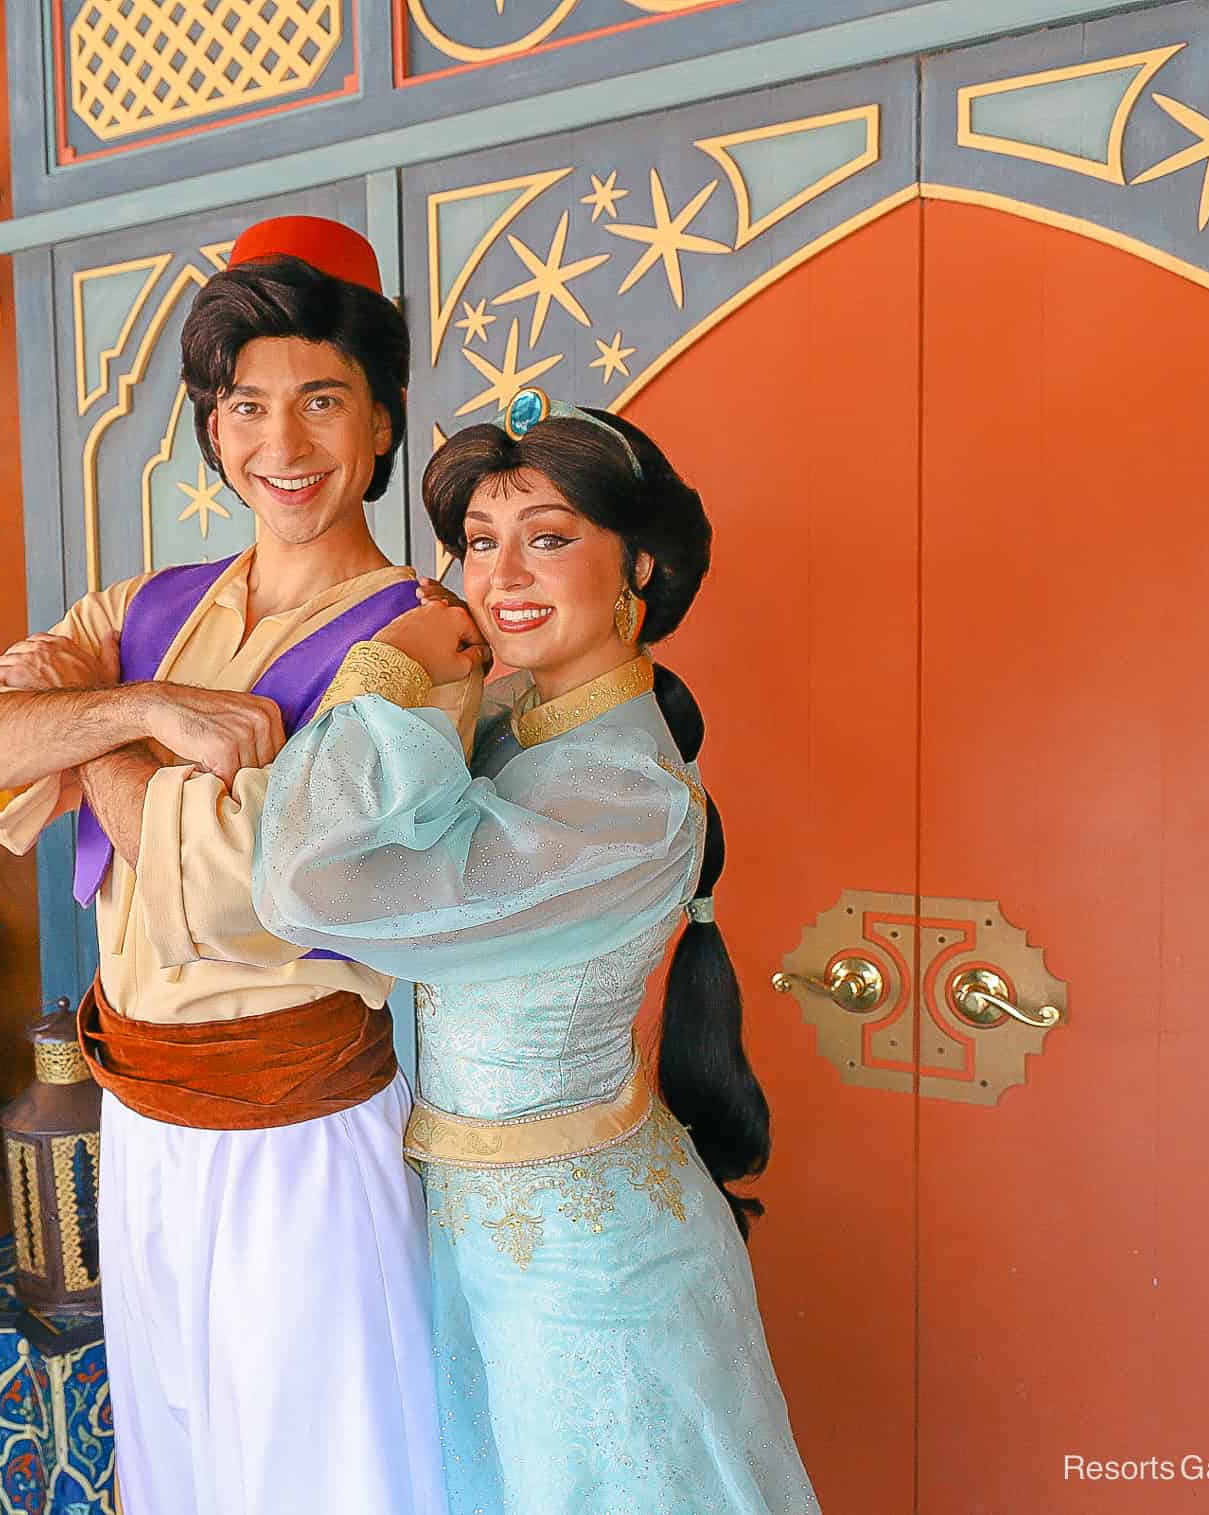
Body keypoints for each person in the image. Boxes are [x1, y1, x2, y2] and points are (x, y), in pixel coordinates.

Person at [0, 217, 484, 1515]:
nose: (283, 445)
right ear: (213, 427)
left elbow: (254, 885)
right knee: (181, 1460)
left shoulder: (428, 639)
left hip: (308, 1138)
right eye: (246, 405)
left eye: (322, 400)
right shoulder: (147, 614)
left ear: (382, 421)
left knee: (326, 1473)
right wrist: (146, 704)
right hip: (145, 1128)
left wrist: (103, 743)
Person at [252, 391, 820, 1514]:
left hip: (586, 1266)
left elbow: (307, 885)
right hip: (468, 1234)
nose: (500, 574)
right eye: (478, 542)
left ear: (639, 571)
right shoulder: (513, 721)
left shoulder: (628, 801)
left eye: (548, 538)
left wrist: (386, 668)